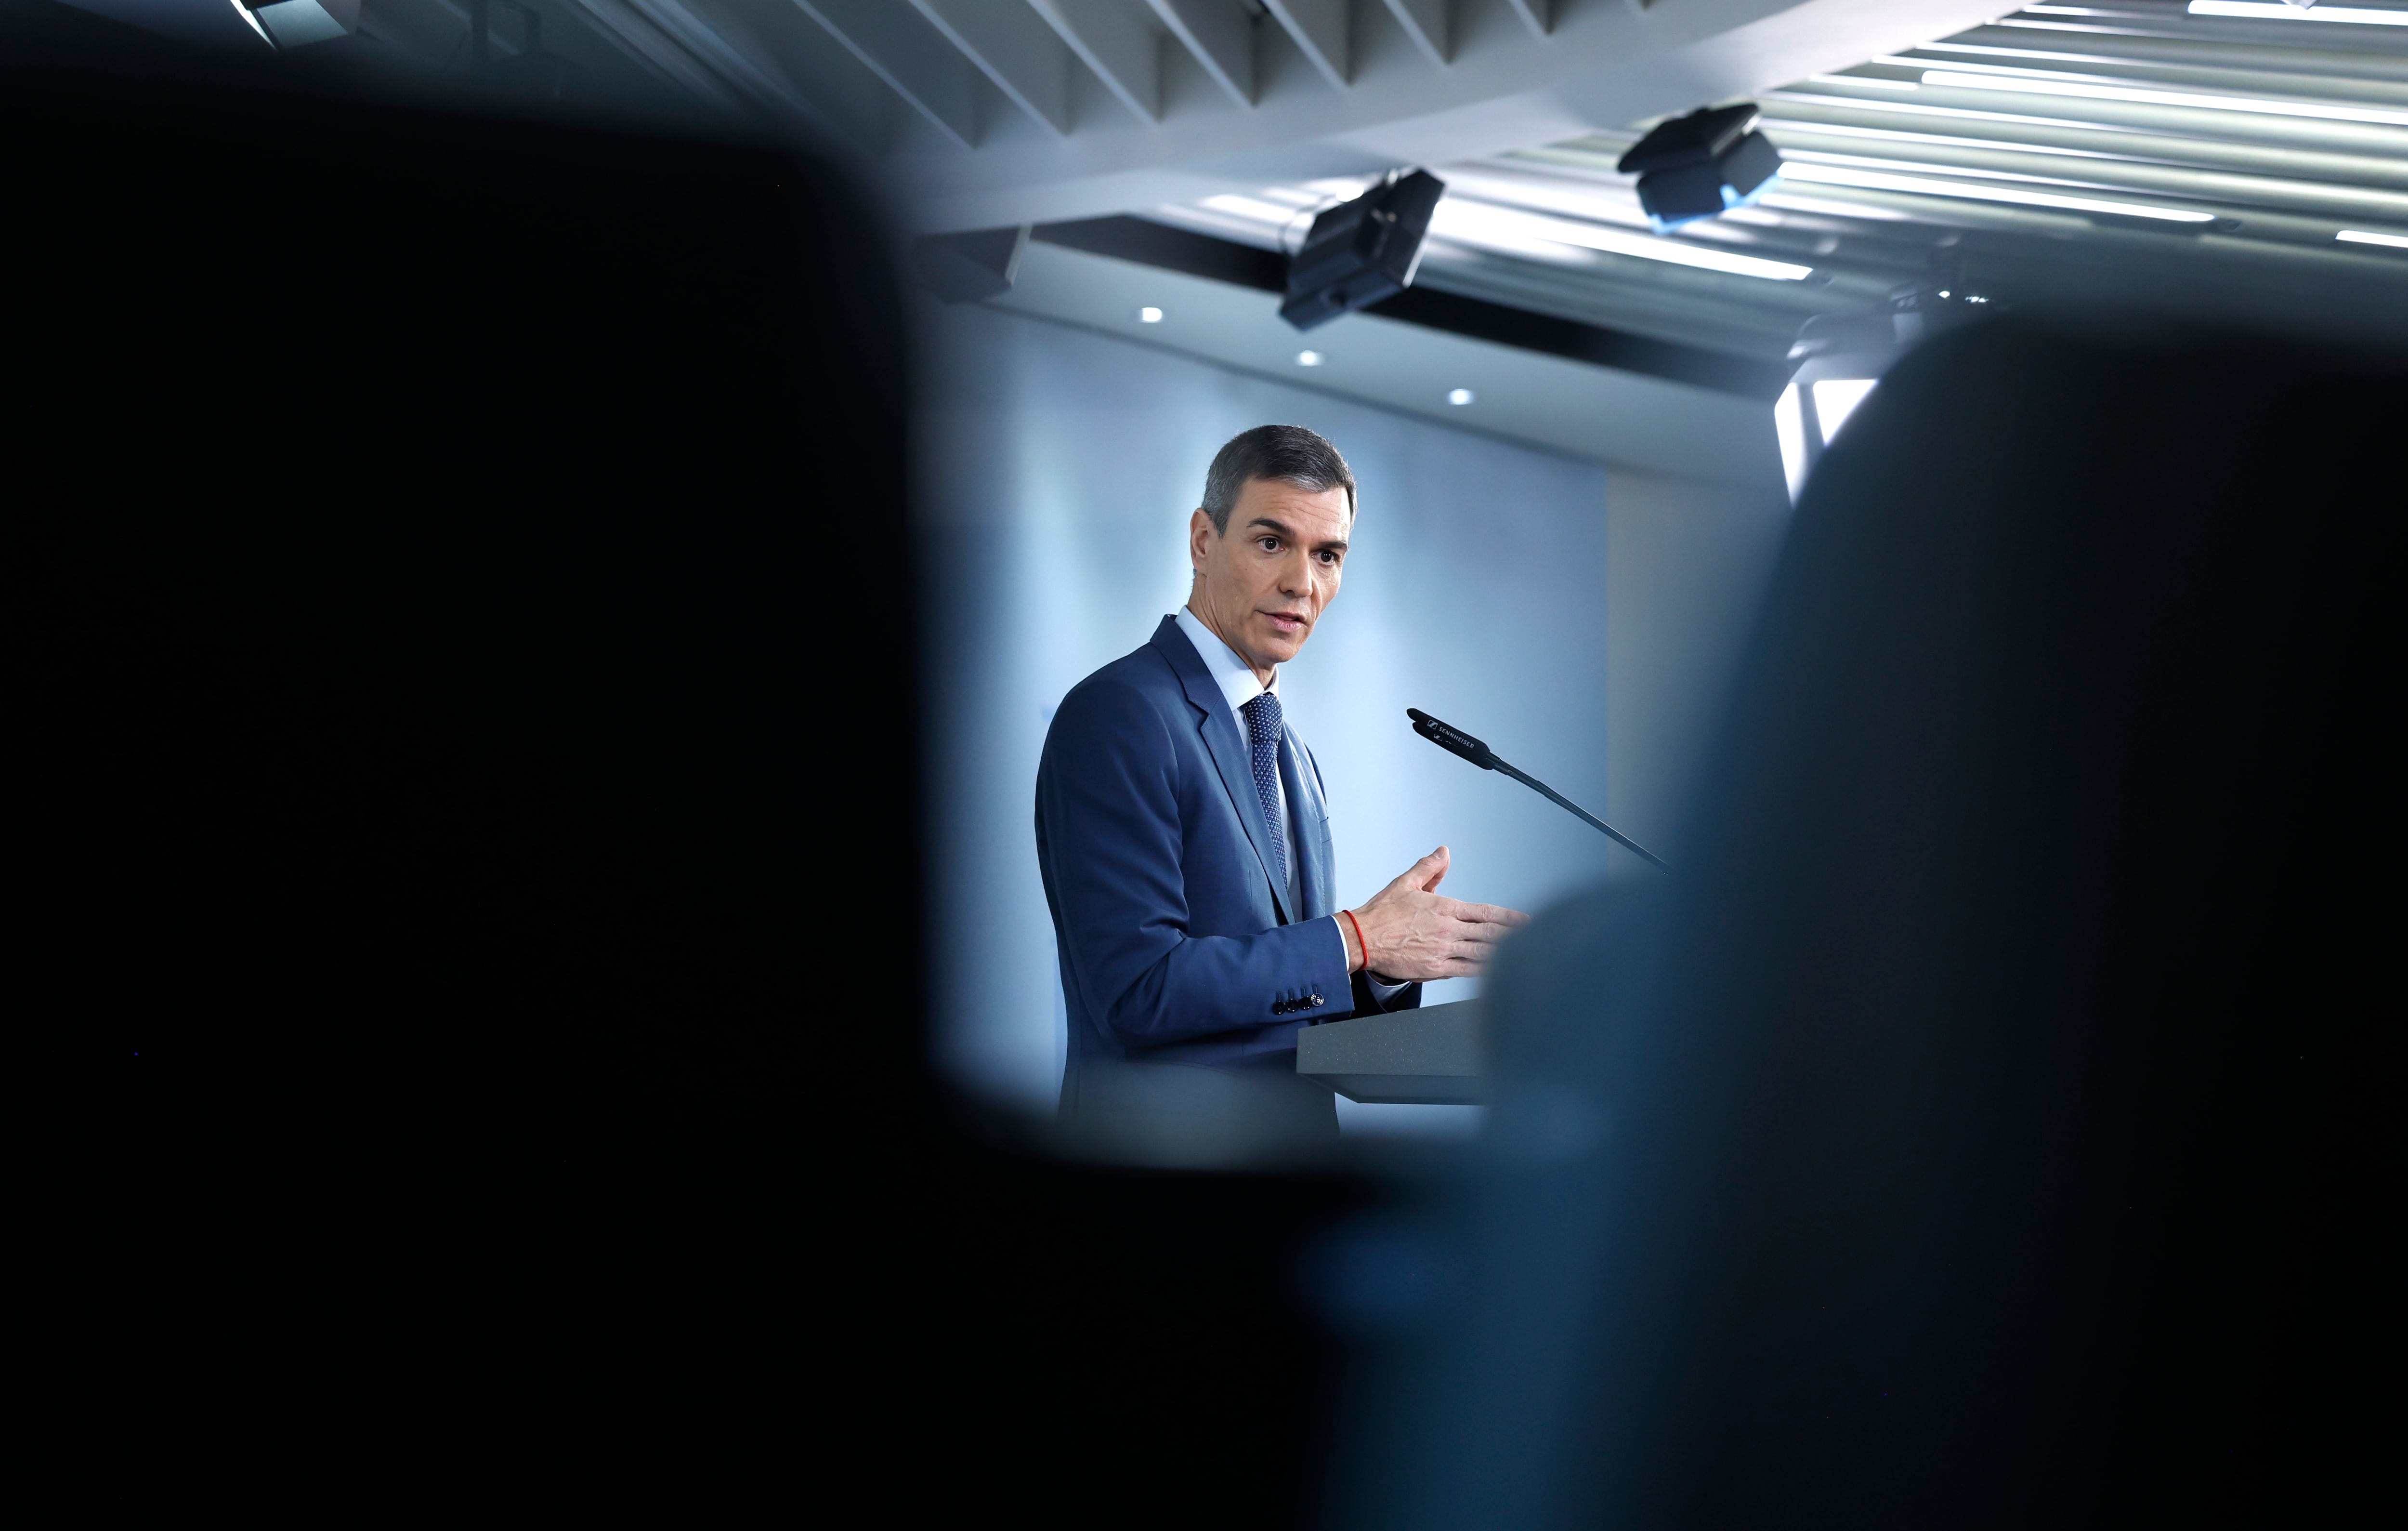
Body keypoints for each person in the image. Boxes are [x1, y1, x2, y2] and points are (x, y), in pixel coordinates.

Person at [1036, 424, 1528, 1146]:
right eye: (1272, 542)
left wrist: (1381, 967)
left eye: (1328, 555)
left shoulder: (1287, 748)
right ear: (1204, 539)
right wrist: (1355, 937)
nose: (1303, 583)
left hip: (1284, 1185)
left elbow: (1290, 995)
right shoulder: (1121, 712)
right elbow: (1139, 991)